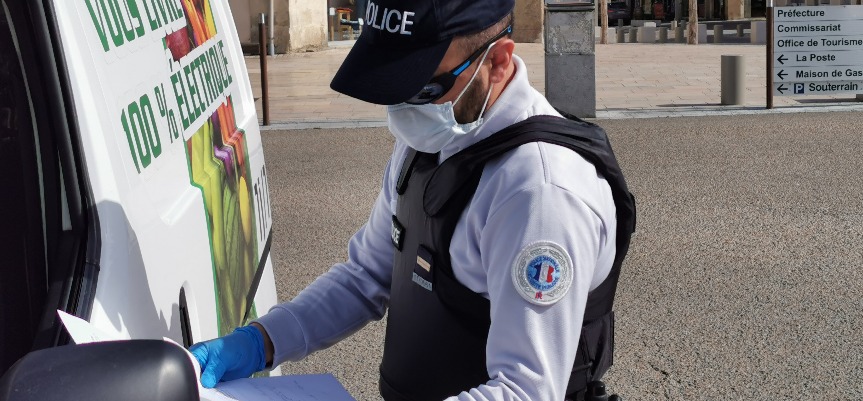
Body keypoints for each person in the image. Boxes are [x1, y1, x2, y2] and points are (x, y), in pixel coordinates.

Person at [190, 0, 636, 400]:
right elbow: (366, 274)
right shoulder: (437, 135)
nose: (405, 108)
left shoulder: (539, 193)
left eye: (424, 89)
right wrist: (261, 341)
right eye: (395, 86)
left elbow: (527, 389)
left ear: (498, 62)